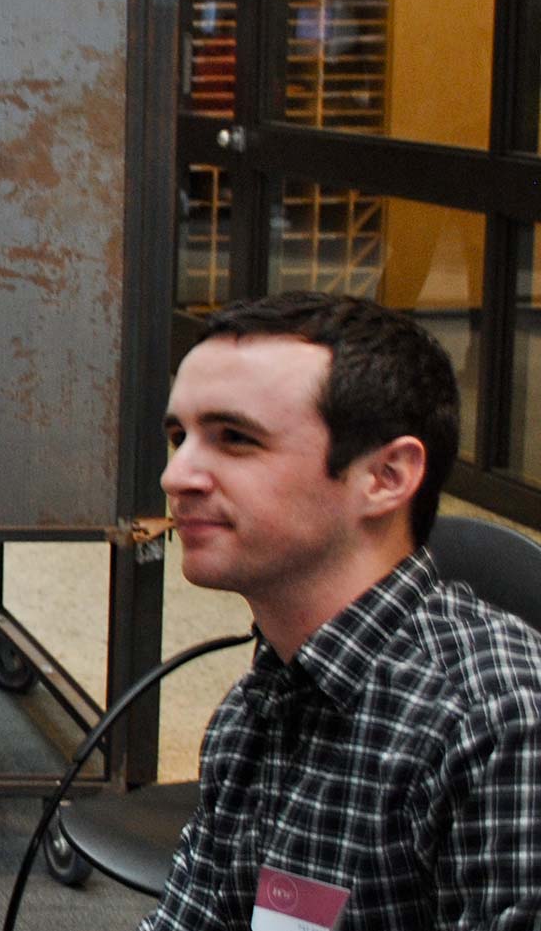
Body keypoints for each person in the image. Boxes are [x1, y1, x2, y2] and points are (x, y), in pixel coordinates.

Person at [144, 292, 541, 930]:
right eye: (178, 437)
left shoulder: (498, 724)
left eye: (235, 439)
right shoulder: (255, 709)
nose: (177, 475)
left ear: (385, 476)